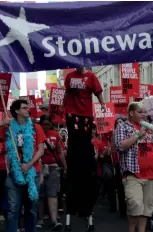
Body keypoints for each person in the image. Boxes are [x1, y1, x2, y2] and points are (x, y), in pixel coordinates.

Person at [115, 102, 153, 232]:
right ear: (131, 113)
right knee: (135, 205)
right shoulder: (123, 127)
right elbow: (120, 146)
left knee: (146, 209)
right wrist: (137, 135)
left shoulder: (150, 128)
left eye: (144, 112)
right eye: (140, 112)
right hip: (133, 174)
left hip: (151, 175)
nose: (143, 114)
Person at [0, 99, 46, 232]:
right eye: (24, 108)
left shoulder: (36, 127)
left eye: (28, 107)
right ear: (16, 111)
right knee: (13, 210)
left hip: (32, 172)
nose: (28, 109)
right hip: (13, 174)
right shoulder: (8, 127)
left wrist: (29, 165)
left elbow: (41, 150)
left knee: (31, 210)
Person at [62, 67, 105, 231]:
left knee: (85, 142)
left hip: (86, 115)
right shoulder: (70, 76)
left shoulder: (91, 77)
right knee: (74, 142)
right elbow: (66, 93)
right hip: (72, 114)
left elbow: (99, 92)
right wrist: (61, 107)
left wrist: (102, 106)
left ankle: (86, 210)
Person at [37, 115, 67, 231]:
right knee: (40, 194)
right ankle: (40, 219)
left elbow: (60, 153)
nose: (46, 127)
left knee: (52, 194)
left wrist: (65, 167)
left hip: (53, 168)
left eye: (48, 124)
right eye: (44, 124)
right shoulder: (36, 134)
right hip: (39, 169)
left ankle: (54, 220)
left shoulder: (55, 135)